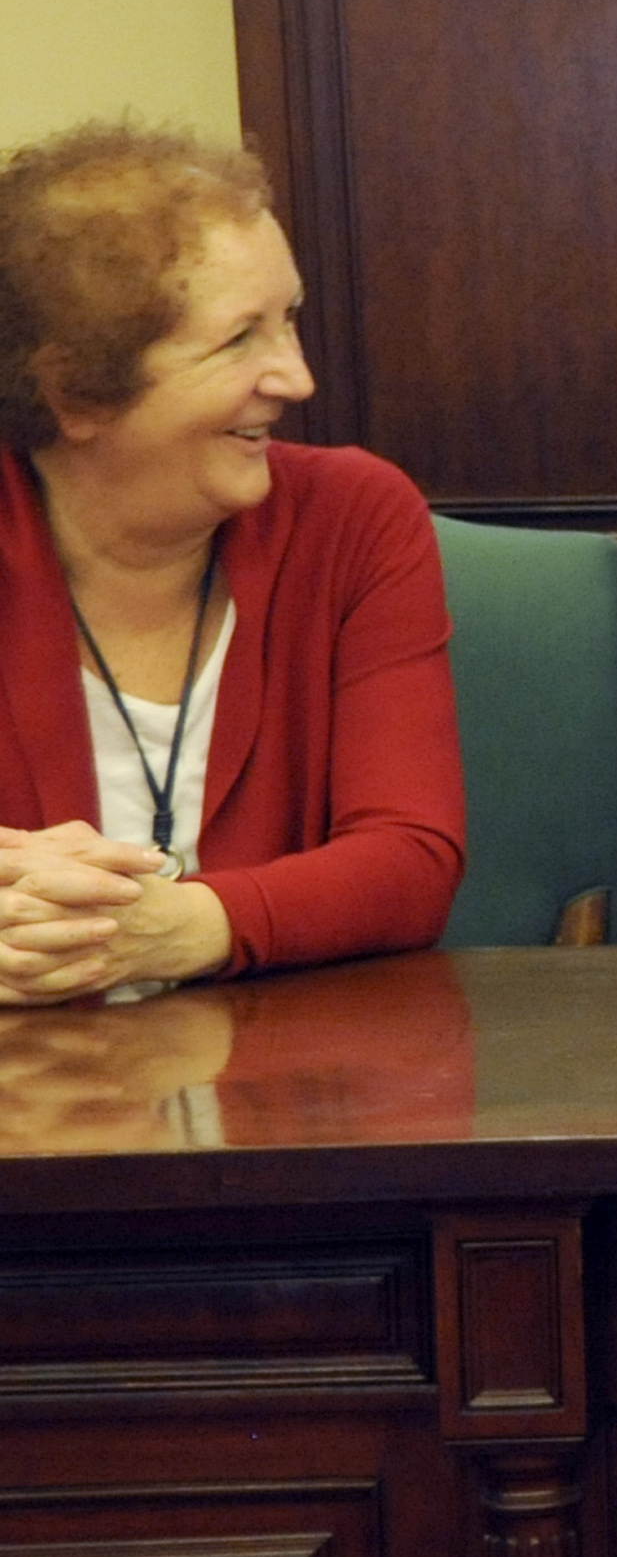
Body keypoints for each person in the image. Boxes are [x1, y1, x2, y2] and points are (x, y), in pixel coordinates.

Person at [0, 123, 464, 1003]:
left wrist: (176, 928)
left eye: (288, 320)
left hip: (291, 1072)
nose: (296, 378)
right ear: (75, 393)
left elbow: (410, 861)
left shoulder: (354, 517)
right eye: (238, 340)